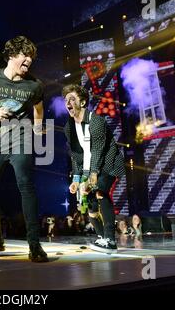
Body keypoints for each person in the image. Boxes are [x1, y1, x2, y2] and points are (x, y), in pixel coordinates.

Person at [0, 36, 48, 262]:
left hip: (20, 140)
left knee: (26, 186)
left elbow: (39, 110)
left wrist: (39, 129)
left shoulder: (34, 85)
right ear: (12, 55)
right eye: (26, 55)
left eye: (32, 57)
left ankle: (34, 244)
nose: (29, 60)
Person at [63, 84, 125, 253]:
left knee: (100, 192)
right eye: (66, 99)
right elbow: (76, 155)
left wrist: (93, 176)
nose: (68, 102)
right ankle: (101, 237)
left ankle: (111, 241)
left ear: (82, 102)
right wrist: (76, 180)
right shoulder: (69, 127)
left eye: (72, 99)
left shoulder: (96, 121)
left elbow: (98, 150)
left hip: (108, 163)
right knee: (89, 204)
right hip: (89, 166)